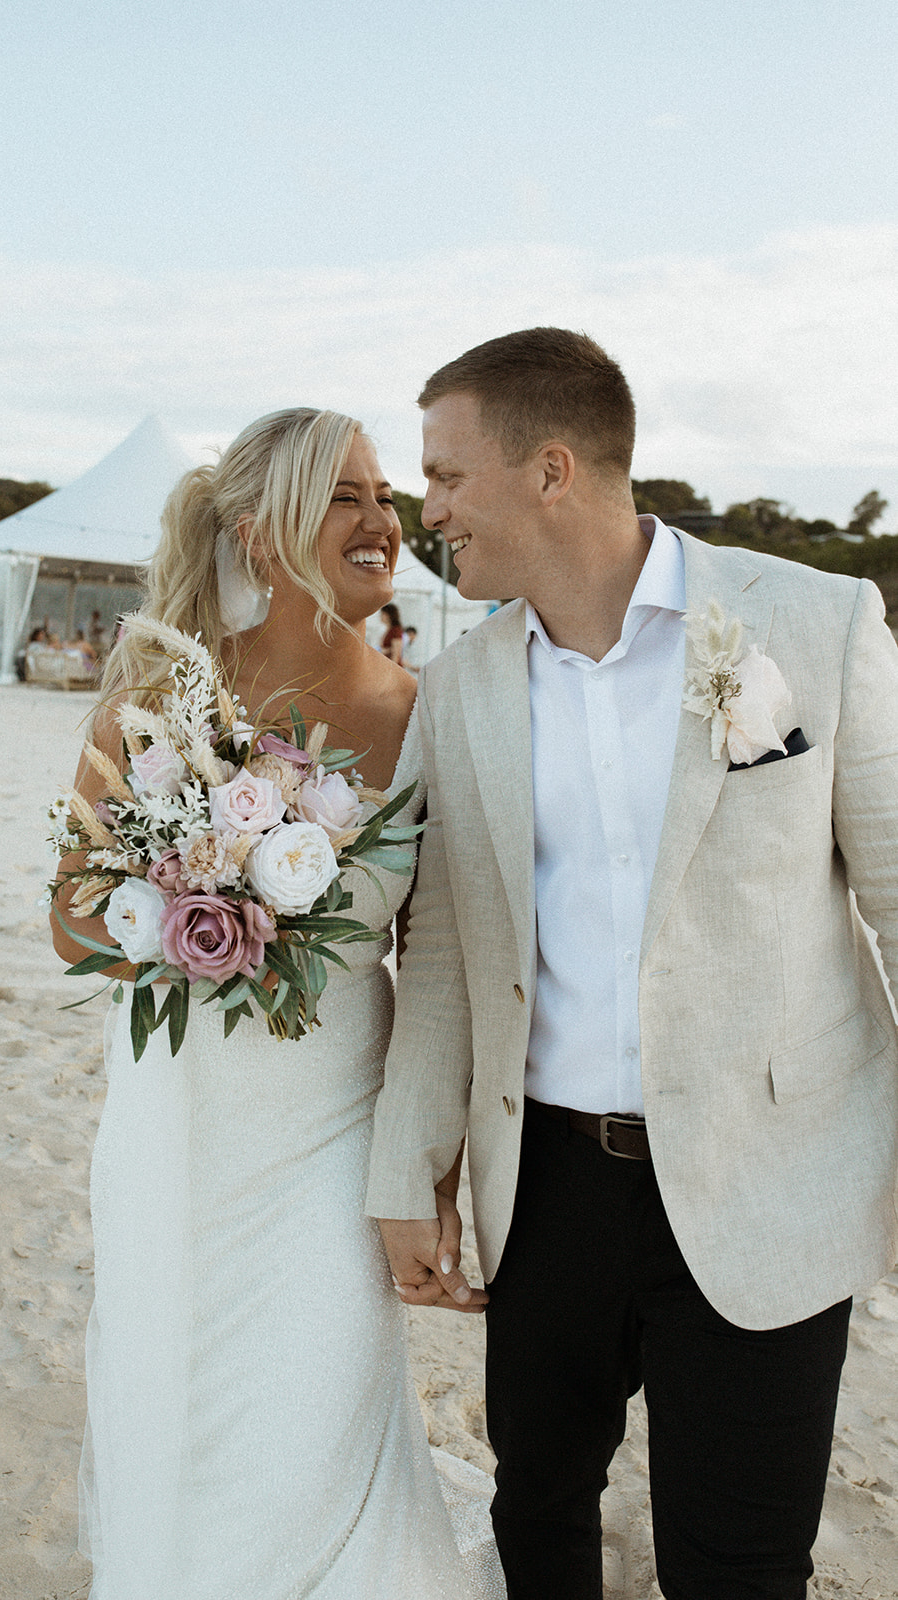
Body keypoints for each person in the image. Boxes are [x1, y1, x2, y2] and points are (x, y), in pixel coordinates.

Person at [366, 328, 898, 1599]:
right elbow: (438, 946)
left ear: (549, 469)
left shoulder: (811, 622)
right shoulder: (455, 686)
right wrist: (408, 1161)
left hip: (774, 1170)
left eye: (443, 475)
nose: (422, 508)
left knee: (738, 1559)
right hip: (543, 1182)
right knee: (538, 1508)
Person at [50, 408, 504, 1599]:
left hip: (331, 1132)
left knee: (316, 1395)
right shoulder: (153, 701)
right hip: (175, 1130)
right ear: (260, 538)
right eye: (344, 495)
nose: (382, 520)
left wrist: (431, 1170)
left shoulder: (423, 711)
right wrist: (189, 906)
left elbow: (443, 964)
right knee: (177, 1395)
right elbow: (67, 920)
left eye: (386, 494)